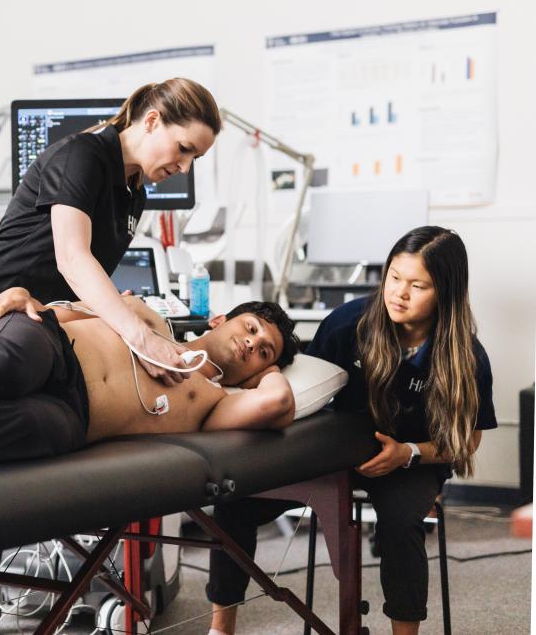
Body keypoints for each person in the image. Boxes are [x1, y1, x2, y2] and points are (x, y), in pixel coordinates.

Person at [0, 78, 220, 631]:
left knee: (5, 486)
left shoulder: (134, 189)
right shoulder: (83, 155)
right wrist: (140, 336)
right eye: (184, 149)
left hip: (30, 329)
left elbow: (78, 288)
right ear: (152, 120)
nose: (184, 166)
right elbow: (71, 258)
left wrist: (123, 318)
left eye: (197, 158)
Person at [0, 295, 299, 631]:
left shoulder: (213, 404)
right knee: (3, 369)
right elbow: (64, 307)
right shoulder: (149, 317)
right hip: (48, 345)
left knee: (34, 431)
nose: (252, 344)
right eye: (252, 329)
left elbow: (278, 405)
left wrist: (275, 371)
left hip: (73, 416)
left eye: (264, 351)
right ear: (221, 319)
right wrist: (25, 298)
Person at [205, 226, 497, 635]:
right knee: (235, 500)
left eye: (418, 285)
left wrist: (410, 452)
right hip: (333, 449)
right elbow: (306, 387)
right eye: (394, 277)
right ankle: (221, 629)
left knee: (400, 525)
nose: (399, 292)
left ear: (445, 292)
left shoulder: (465, 355)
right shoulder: (348, 323)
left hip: (410, 461)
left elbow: (468, 439)